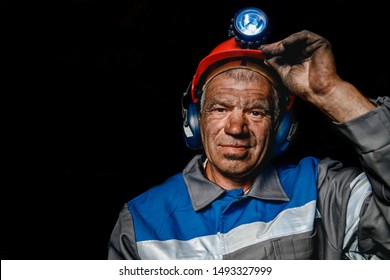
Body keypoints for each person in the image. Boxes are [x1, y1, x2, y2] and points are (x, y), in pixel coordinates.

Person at [107, 28, 390, 259]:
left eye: (256, 112)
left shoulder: (325, 190)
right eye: (220, 108)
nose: (235, 128)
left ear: (281, 127)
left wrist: (331, 92)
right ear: (195, 119)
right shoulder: (141, 220)